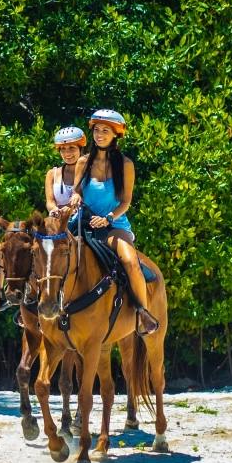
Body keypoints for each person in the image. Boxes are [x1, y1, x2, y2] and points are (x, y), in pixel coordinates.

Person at [68, 108, 158, 336]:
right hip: (84, 223)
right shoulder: (83, 162)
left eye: (105, 131)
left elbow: (126, 202)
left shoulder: (125, 165)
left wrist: (108, 218)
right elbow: (76, 192)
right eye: (97, 130)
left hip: (113, 226)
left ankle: (142, 313)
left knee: (130, 261)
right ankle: (39, 305)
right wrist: (76, 196)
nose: (99, 135)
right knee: (50, 251)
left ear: (116, 134)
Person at [43, 125, 86, 218]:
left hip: (87, 223)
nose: (67, 153)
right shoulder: (51, 174)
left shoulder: (92, 172)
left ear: (80, 149)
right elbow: (50, 202)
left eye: (72, 148)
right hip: (60, 223)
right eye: (63, 149)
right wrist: (54, 209)